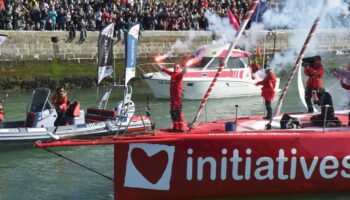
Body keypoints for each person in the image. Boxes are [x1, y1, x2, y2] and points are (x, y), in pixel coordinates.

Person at [158, 62, 187, 132]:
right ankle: (175, 127)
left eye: (177, 67)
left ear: (179, 68)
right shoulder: (173, 74)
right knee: (172, 112)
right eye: (174, 67)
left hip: (178, 97)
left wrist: (185, 69)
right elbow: (167, 71)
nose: (175, 68)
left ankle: (181, 128)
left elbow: (182, 73)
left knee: (178, 112)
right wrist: (161, 67)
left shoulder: (179, 75)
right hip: (172, 98)